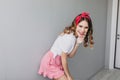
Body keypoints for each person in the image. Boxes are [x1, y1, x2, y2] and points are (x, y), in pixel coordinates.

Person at [38, 12, 94, 80]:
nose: (82, 30)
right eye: (80, 26)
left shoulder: (74, 37)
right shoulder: (69, 38)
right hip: (51, 62)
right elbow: (64, 59)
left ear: (88, 29)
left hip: (57, 61)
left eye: (86, 27)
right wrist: (69, 76)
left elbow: (70, 55)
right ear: (75, 25)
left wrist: (77, 44)